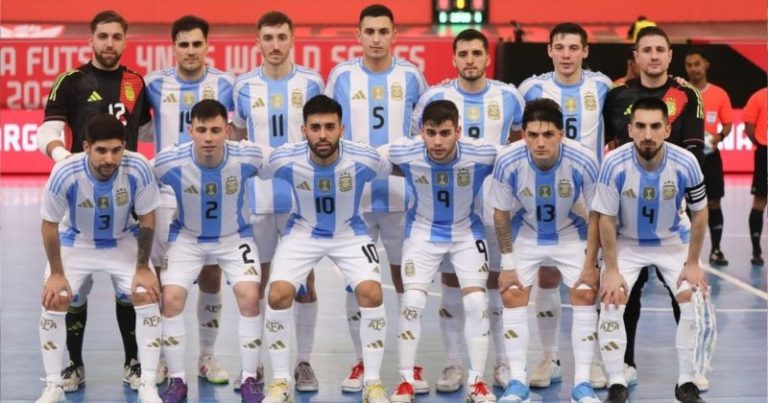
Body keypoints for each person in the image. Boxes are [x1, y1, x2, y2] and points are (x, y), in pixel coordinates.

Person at [35, 9, 153, 392]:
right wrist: (61, 159)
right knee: (72, 288)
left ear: (125, 39)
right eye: (102, 36)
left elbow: (145, 128)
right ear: (91, 40)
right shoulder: (72, 81)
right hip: (81, 195)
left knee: (134, 287)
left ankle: (136, 363)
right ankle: (73, 365)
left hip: (126, 198)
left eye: (116, 36)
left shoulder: (136, 81)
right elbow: (50, 128)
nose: (109, 44)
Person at [411, 28, 525, 392]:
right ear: (454, 58)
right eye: (464, 54)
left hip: (497, 209)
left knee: (497, 285)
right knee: (451, 284)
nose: (471, 60)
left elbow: (516, 143)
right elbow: (423, 143)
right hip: (451, 210)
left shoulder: (509, 96)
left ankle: (503, 363)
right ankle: (453, 365)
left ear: (487, 58)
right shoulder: (436, 96)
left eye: (477, 53)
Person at [260, 95, 391, 403]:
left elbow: (394, 169)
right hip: (302, 231)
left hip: (350, 231)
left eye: (329, 127)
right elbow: (253, 168)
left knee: (371, 292)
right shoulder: (283, 159)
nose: (322, 134)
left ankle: (372, 383)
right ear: (303, 129)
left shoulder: (366, 159)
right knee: (278, 294)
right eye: (315, 127)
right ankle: (280, 383)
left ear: (341, 128)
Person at [325, 3, 428, 393]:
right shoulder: (341, 76)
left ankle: (410, 365)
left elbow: (425, 133)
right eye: (369, 31)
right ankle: (360, 363)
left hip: (402, 195)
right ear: (358, 35)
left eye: (383, 31)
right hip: (355, 198)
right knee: (358, 282)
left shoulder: (412, 76)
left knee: (407, 281)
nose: (376, 39)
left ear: (394, 35)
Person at [602, 25, 705, 387]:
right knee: (625, 294)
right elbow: (609, 144)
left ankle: (689, 372)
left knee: (683, 290)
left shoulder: (685, 94)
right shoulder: (616, 95)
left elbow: (693, 152)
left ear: (670, 55)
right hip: (626, 209)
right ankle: (624, 364)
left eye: (660, 49)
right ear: (636, 57)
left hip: (669, 209)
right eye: (646, 50)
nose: (654, 56)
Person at [36, 114, 162, 403]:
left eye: (116, 150)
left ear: (124, 147)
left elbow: (147, 218)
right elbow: (49, 225)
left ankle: (148, 383)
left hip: (122, 239)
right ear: (86, 147)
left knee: (146, 293)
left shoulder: (138, 168)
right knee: (55, 298)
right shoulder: (65, 172)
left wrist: (143, 267)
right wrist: (56, 273)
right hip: (76, 240)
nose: (110, 159)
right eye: (101, 151)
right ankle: (53, 384)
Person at [232, 11, 325, 392]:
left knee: (304, 282)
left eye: (281, 37)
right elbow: (237, 139)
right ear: (257, 41)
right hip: (257, 199)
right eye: (267, 37)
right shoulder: (242, 87)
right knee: (262, 283)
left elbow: (323, 137)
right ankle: (258, 368)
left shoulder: (312, 82)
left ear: (292, 40)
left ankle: (302, 363)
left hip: (302, 200)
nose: (274, 45)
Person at [593, 97, 708, 403]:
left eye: (655, 126)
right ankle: (616, 383)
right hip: (627, 242)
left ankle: (687, 383)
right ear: (630, 129)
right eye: (640, 126)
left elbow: (700, 213)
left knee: (692, 299)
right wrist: (613, 271)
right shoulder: (613, 163)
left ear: (667, 129)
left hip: (672, 241)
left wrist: (694, 262)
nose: (648, 134)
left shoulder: (686, 161)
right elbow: (604, 218)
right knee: (612, 301)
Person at [517, 22, 612, 389]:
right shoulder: (532, 88)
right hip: (546, 193)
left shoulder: (601, 85)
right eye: (560, 47)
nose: (567, 54)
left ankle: (599, 361)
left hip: (590, 197)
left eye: (574, 47)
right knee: (547, 275)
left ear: (585, 51)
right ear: (549, 51)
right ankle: (548, 357)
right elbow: (519, 132)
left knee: (593, 279)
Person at [153, 100, 268, 403]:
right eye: (201, 130)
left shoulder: (248, 156)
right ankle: (177, 380)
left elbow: (287, 163)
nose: (208, 137)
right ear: (189, 130)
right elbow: (139, 183)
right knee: (172, 299)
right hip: (187, 239)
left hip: (234, 238)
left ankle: (249, 379)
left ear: (227, 130)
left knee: (250, 296)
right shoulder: (169, 162)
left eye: (216, 130)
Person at [489, 98, 601, 403]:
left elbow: (597, 214)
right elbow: (500, 213)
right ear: (522, 134)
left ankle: (583, 384)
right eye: (533, 135)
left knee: (585, 292)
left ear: (561, 134)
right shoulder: (508, 160)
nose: (540, 143)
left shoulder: (584, 159)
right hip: (526, 231)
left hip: (569, 231)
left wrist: (591, 263)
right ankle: (517, 383)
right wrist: (508, 263)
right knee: (512, 293)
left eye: (548, 135)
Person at [144, 14, 235, 385]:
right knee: (167, 278)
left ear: (207, 45)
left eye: (198, 43)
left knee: (211, 271)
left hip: (212, 191)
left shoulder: (225, 84)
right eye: (184, 44)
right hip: (167, 195)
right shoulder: (153, 84)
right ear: (173, 47)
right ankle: (167, 358)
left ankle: (207, 357)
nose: (191, 51)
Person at [388, 100, 497, 403]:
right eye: (431, 133)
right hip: (422, 232)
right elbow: (369, 159)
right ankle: (406, 381)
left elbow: (519, 157)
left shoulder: (482, 153)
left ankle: (477, 382)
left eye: (445, 133)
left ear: (458, 131)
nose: (437, 141)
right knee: (411, 299)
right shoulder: (403, 151)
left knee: (477, 300)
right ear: (421, 132)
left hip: (465, 232)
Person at [684, 48, 733, 269]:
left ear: (706, 65)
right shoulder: (682, 92)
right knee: (681, 205)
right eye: (689, 65)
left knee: (714, 202)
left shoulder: (720, 94)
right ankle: (682, 252)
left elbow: (729, 124)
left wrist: (719, 136)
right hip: (686, 157)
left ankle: (715, 249)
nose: (693, 69)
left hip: (711, 157)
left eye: (697, 64)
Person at [743, 87, 767, 266]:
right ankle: (756, 249)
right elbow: (749, 127)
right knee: (760, 201)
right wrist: (761, 145)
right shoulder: (758, 97)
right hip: (765, 152)